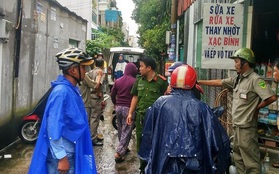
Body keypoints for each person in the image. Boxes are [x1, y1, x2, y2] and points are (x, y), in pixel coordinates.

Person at [138, 65, 230, 174]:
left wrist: (150, 161)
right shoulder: (201, 108)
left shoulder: (160, 103)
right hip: (194, 167)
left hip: (163, 165)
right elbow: (220, 142)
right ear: (194, 84)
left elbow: (147, 135)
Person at [199, 47, 277, 174]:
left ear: (245, 63)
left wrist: (256, 108)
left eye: (236, 61)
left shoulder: (255, 80)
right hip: (237, 126)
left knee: (251, 162)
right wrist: (199, 81)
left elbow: (271, 97)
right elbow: (220, 82)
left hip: (247, 128)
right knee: (238, 159)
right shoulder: (237, 79)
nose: (235, 64)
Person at [28, 47, 97, 173]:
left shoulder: (71, 89)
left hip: (70, 151)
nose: (85, 71)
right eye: (83, 67)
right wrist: (61, 157)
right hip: (64, 156)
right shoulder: (62, 92)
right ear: (73, 70)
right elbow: (53, 126)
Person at [126, 56, 169, 173]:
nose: (139, 69)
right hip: (141, 117)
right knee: (141, 141)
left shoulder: (162, 82)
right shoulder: (139, 80)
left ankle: (154, 166)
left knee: (156, 141)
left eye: (141, 66)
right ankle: (143, 168)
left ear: (149, 68)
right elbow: (135, 97)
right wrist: (130, 113)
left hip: (156, 118)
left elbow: (167, 98)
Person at [110, 62, 138, 163]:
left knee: (121, 129)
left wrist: (115, 103)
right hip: (128, 108)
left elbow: (112, 94)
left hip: (118, 107)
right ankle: (119, 153)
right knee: (127, 131)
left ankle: (124, 148)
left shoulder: (118, 81)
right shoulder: (135, 81)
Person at [88, 58, 105, 146]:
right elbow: (98, 85)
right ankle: (93, 138)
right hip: (96, 97)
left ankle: (91, 136)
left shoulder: (91, 72)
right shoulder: (100, 72)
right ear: (102, 64)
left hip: (89, 97)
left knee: (90, 117)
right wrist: (98, 93)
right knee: (95, 118)